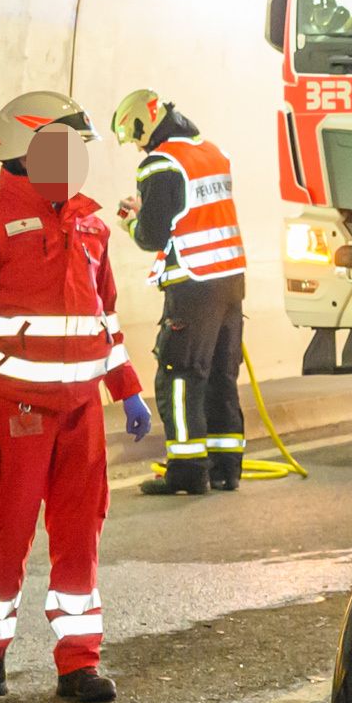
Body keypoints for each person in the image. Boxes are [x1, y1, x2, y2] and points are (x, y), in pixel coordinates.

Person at [0, 93, 153, 703]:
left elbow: (101, 320)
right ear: (23, 151)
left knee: (80, 536)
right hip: (16, 413)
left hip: (81, 414)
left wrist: (127, 389)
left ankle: (79, 661)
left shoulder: (89, 225)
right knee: (5, 539)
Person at [111, 90, 247, 497]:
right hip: (230, 281)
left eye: (134, 136)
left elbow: (153, 233)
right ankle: (226, 468)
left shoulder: (159, 164)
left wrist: (130, 222)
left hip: (192, 283)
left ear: (144, 125)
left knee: (180, 375)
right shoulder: (211, 152)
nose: (136, 145)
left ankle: (187, 471)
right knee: (222, 375)